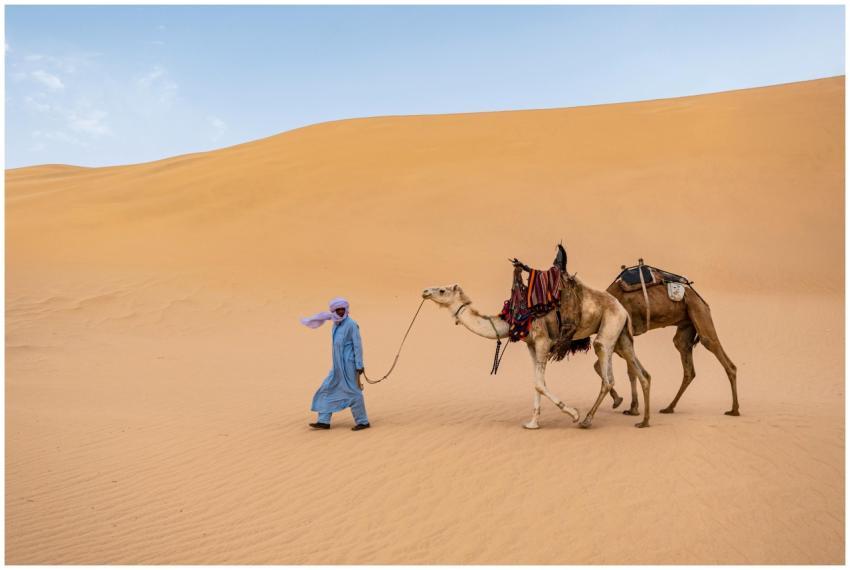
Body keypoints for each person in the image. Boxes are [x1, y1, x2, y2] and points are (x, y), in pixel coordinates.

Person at [300, 297, 370, 431]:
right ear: (333, 311)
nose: (340, 312)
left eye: (343, 309)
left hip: (349, 365)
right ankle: (323, 421)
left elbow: (357, 345)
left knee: (354, 392)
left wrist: (359, 365)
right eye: (338, 310)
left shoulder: (351, 324)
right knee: (327, 387)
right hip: (337, 366)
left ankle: (363, 421)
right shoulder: (335, 324)